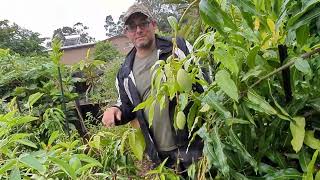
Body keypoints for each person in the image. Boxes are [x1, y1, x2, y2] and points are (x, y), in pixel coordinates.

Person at [102, 3, 203, 172]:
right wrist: (115, 110)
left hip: (193, 146)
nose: (138, 30)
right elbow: (128, 107)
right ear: (127, 33)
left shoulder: (177, 48)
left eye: (143, 23)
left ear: (154, 24)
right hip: (160, 156)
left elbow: (203, 81)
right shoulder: (125, 72)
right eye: (132, 27)